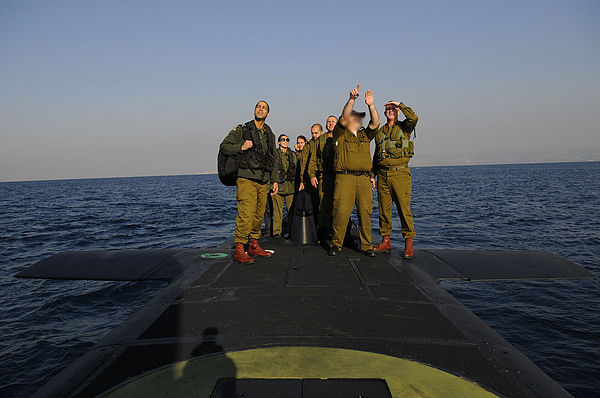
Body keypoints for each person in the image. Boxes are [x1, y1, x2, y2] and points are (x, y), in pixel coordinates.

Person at [220, 100, 281, 264]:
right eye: (258, 107)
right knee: (246, 215)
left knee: (258, 215)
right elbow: (224, 146)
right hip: (246, 178)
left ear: (268, 114)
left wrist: (274, 180)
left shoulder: (270, 134)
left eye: (264, 108)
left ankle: (253, 244)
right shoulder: (242, 129)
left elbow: (274, 159)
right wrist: (241, 146)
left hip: (263, 180)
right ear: (254, 110)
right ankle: (239, 248)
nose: (260, 109)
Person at [328, 85, 379, 257]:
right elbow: (342, 116)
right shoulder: (340, 134)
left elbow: (376, 123)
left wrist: (371, 105)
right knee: (341, 212)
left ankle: (366, 245)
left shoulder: (365, 135)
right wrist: (352, 99)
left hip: (364, 179)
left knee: (365, 212)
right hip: (345, 178)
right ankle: (336, 244)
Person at [372, 100, 418, 259]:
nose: (390, 111)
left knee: (404, 210)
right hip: (383, 175)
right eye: (388, 109)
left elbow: (414, 117)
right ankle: (386, 240)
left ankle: (408, 243)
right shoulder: (380, 131)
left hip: (400, 174)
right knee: (383, 210)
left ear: (398, 112)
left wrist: (400, 104)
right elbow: (376, 155)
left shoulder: (405, 127)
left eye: (393, 109)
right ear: (385, 112)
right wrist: (373, 175)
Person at [308, 116, 338, 241]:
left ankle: (340, 233)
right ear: (326, 125)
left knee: (339, 205)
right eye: (329, 122)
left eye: (333, 122)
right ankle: (323, 233)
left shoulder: (342, 137)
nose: (331, 124)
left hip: (339, 176)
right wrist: (312, 175)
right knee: (323, 205)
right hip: (324, 176)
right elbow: (313, 159)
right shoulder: (320, 140)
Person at [271, 134, 297, 238]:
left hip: (290, 186)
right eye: (283, 139)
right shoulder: (275, 154)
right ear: (278, 142)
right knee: (277, 210)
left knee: (291, 210)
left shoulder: (293, 155)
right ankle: (277, 232)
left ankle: (292, 229)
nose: (285, 141)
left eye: (287, 139)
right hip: (278, 186)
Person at [299, 124, 323, 221]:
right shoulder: (308, 145)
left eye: (316, 133)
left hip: (324, 176)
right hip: (311, 177)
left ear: (321, 132)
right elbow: (303, 164)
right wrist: (302, 180)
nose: (314, 135)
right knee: (313, 203)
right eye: (312, 133)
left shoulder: (326, 141)